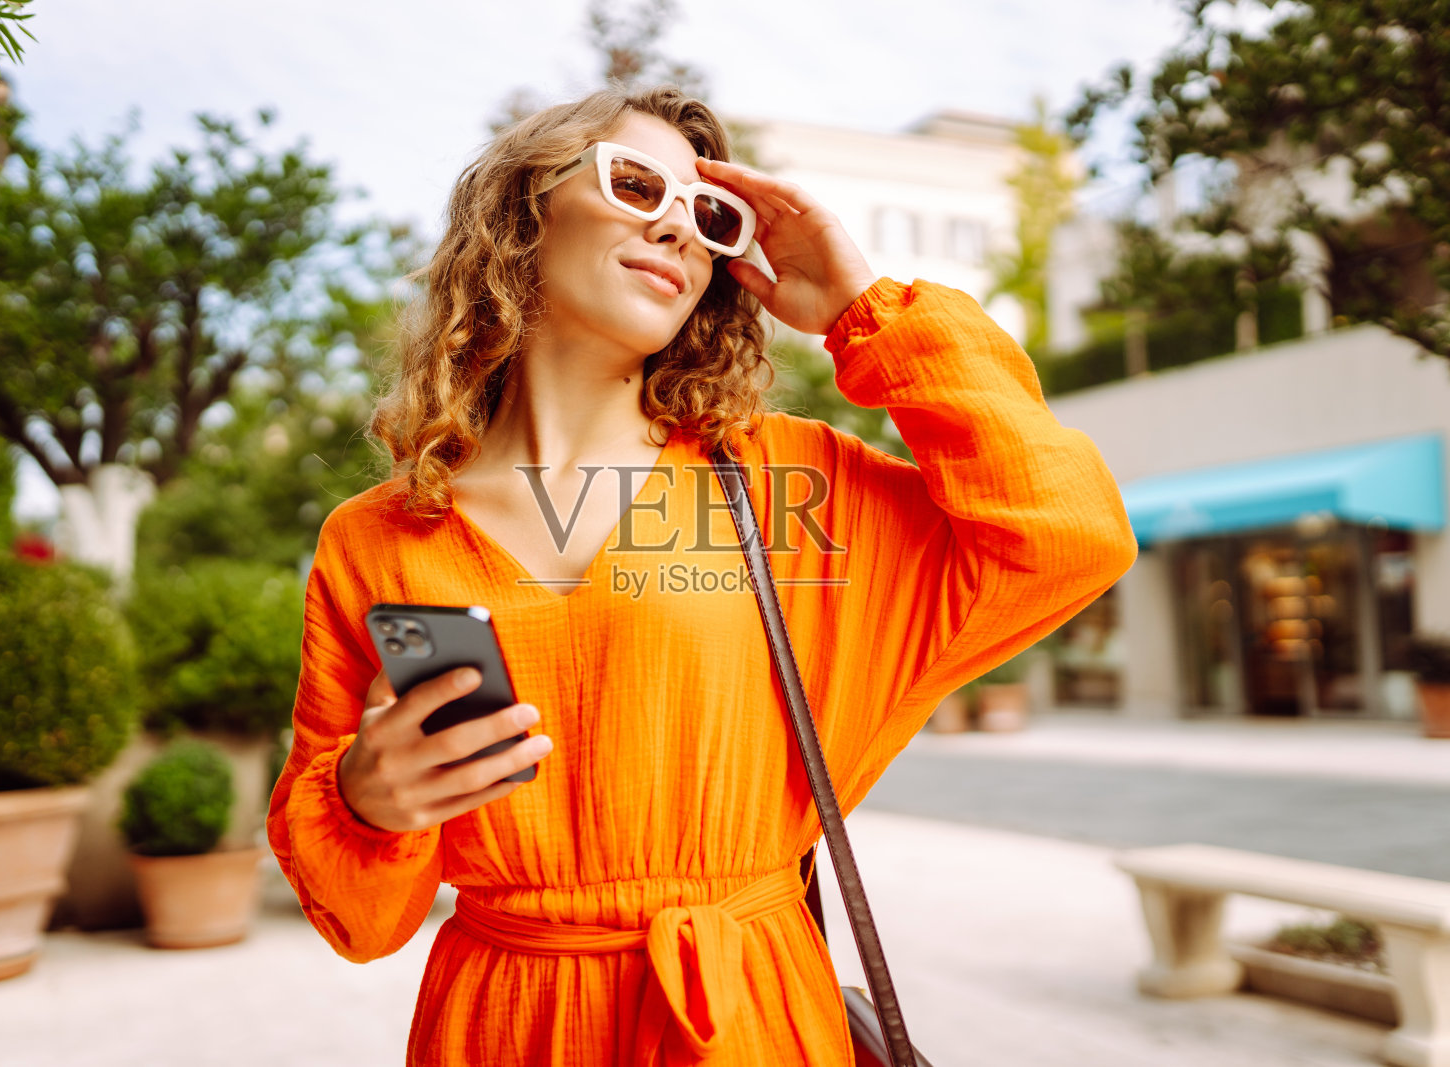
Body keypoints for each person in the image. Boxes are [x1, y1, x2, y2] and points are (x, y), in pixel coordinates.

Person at [267, 84, 1138, 1066]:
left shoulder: (789, 482)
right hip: (505, 1024)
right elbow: (359, 919)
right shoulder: (379, 536)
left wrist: (864, 310)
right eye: (636, 184)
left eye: (708, 215)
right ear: (522, 212)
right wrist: (363, 799)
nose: (678, 229)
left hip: (745, 1015)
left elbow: (1070, 532)